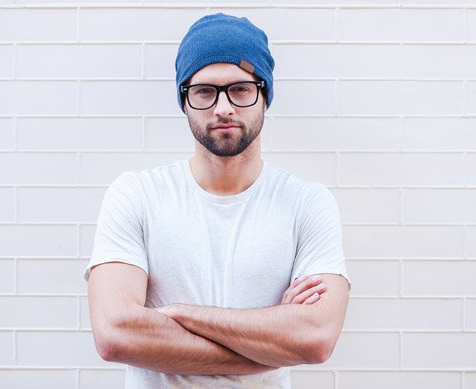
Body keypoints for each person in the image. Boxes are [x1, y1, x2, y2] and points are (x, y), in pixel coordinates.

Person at [84, 13, 350, 388]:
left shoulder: (307, 202)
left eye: (241, 89)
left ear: (264, 96)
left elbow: (315, 338)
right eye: (205, 91)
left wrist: (177, 315)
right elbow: (115, 334)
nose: (223, 107)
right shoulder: (136, 195)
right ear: (185, 100)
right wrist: (269, 343)